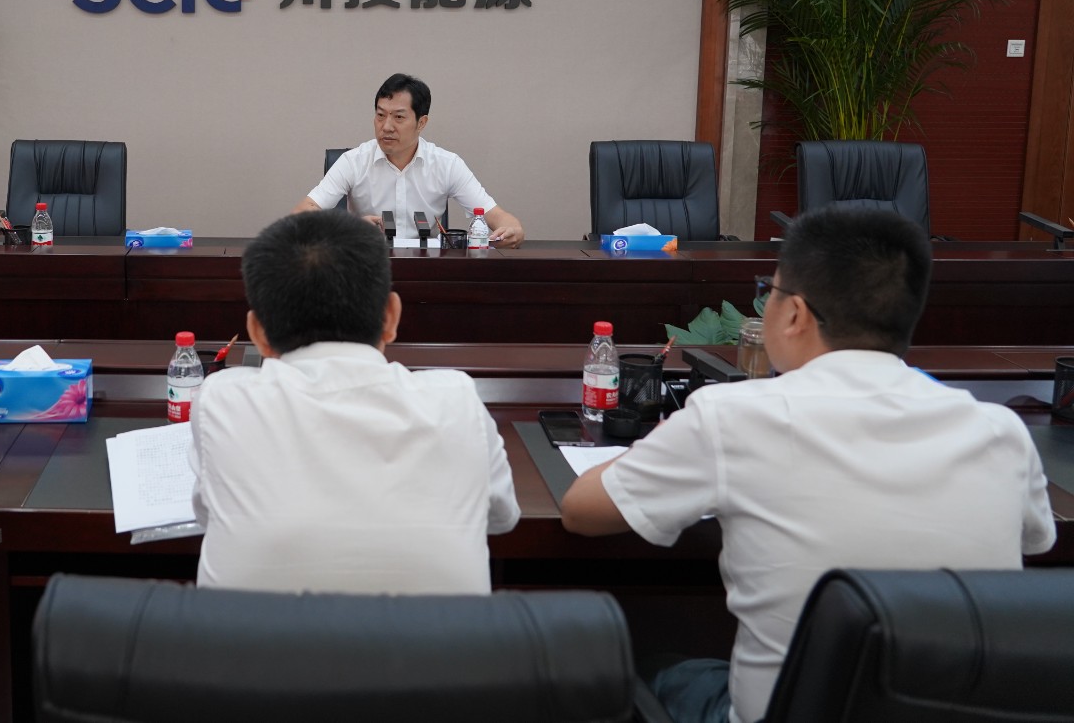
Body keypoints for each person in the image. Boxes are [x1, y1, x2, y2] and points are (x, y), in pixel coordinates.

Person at [559, 206, 1055, 723]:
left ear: (794, 314)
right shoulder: (1001, 433)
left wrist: (661, 442)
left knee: (653, 666)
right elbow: (1036, 543)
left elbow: (582, 511)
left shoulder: (732, 416)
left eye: (768, 291)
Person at [190, 208, 520, 593]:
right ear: (391, 316)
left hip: (252, 634)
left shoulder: (222, 402)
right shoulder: (457, 400)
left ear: (257, 333)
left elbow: (206, 514)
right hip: (436, 635)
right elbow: (502, 517)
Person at [295, 72, 526, 247]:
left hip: (427, 272)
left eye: (398, 117)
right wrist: (349, 227)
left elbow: (498, 217)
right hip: (367, 269)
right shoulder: (353, 161)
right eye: (380, 115)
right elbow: (301, 214)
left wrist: (512, 230)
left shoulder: (447, 164)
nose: (386, 126)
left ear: (421, 122)